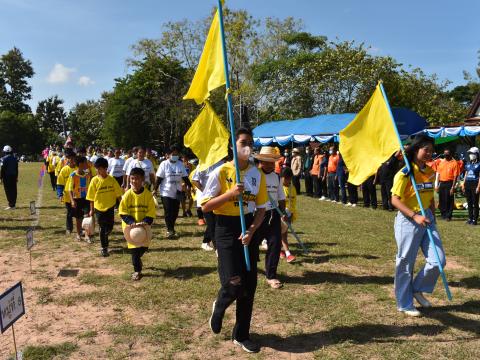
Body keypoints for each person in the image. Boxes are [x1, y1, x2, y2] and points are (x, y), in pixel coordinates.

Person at [202, 127, 267, 353]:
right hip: (225, 228)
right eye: (243, 142)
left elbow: (261, 208)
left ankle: (241, 335)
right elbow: (205, 205)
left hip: (248, 226)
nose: (248, 146)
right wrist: (230, 194)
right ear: (234, 146)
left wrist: (252, 230)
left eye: (251, 142)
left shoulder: (257, 174)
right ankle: (220, 305)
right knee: (233, 282)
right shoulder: (221, 172)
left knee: (249, 285)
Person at [391, 134, 446, 317]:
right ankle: (404, 303)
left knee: (438, 259)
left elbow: (429, 195)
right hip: (409, 220)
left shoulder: (430, 172)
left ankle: (417, 288)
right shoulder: (405, 173)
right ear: (416, 150)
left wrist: (432, 213)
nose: (429, 153)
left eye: (431, 150)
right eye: (426, 150)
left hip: (427, 219)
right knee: (406, 263)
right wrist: (414, 216)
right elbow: (394, 200)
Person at [254, 146, 285, 289]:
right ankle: (248, 269)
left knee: (275, 244)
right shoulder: (254, 174)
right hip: (257, 215)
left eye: (273, 162)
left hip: (273, 214)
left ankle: (271, 275)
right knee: (252, 245)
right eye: (268, 162)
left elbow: (281, 196)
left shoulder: (277, 176)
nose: (271, 165)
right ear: (261, 162)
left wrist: (283, 213)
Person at [119, 167, 156, 281]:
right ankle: (137, 271)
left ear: (142, 180)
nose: (134, 181)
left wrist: (145, 222)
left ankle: (137, 260)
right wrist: (131, 222)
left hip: (144, 227)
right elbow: (123, 212)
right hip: (131, 229)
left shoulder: (148, 195)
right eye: (132, 178)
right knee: (134, 250)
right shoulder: (127, 195)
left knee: (143, 247)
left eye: (137, 179)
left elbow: (151, 212)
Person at [87, 157, 124, 256]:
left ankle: (105, 235)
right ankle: (104, 248)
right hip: (99, 208)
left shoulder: (111, 179)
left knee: (110, 226)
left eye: (100, 169)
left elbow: (118, 194)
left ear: (106, 168)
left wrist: (122, 205)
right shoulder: (94, 180)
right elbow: (91, 197)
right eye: (97, 169)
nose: (98, 171)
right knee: (102, 228)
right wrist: (91, 210)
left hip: (110, 207)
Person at [154, 145, 192, 238]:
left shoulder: (180, 164)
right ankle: (169, 229)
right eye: (173, 154)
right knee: (168, 211)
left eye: (176, 154)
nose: (175, 155)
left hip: (177, 191)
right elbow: (159, 178)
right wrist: (155, 189)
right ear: (168, 154)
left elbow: (185, 177)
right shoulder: (164, 164)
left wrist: (190, 186)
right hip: (166, 191)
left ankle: (172, 227)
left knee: (175, 212)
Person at [191, 159, 225, 250]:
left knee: (217, 223)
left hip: (220, 199)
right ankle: (216, 248)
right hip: (207, 200)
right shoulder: (203, 164)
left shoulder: (223, 164)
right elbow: (195, 180)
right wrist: (205, 191)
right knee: (212, 223)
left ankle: (207, 242)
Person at [67, 157, 92, 242]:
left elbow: (89, 186)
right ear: (81, 164)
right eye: (85, 163)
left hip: (86, 199)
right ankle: (78, 234)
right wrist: (72, 201)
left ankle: (86, 235)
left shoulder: (87, 174)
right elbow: (70, 189)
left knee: (87, 217)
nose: (87, 164)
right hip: (77, 199)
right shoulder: (73, 175)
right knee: (78, 218)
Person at [435, 149, 459, 221]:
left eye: (447, 154)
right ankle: (443, 214)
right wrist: (437, 184)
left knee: (449, 199)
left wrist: (453, 187)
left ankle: (448, 215)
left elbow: (455, 176)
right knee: (442, 199)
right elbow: (438, 174)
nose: (446, 155)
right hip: (442, 183)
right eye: (445, 154)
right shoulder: (441, 162)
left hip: (450, 183)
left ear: (450, 154)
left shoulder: (454, 163)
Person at [57, 150, 77, 235]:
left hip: (78, 195)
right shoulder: (64, 170)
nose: (71, 160)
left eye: (73, 158)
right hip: (68, 196)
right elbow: (60, 183)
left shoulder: (78, 169)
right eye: (69, 158)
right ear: (67, 159)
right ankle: (69, 228)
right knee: (69, 212)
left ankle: (81, 229)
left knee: (79, 213)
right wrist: (60, 194)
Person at [279, 167, 297, 263]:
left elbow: (293, 202)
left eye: (289, 179)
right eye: (285, 178)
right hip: (279, 215)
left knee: (283, 235)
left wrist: (292, 214)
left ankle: (283, 251)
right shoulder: (279, 188)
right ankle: (287, 253)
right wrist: (282, 213)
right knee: (279, 235)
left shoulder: (292, 188)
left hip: (288, 215)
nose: (287, 181)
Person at [461, 147, 480, 225]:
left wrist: (478, 187)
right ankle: (470, 218)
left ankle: (475, 220)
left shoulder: (479, 164)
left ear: (476, 154)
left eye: (472, 153)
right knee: (469, 202)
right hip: (467, 184)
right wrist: (463, 184)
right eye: (470, 153)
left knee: (475, 202)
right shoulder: (468, 164)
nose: (470, 155)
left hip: (475, 184)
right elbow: (466, 174)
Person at [1, 145, 18, 210]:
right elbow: (16, 169)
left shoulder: (3, 159)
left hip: (7, 177)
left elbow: (2, 169)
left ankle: (11, 205)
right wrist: (16, 177)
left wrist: (1, 178)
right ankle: (13, 204)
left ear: (5, 151)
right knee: (14, 190)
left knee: (8, 191)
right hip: (13, 176)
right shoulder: (15, 158)